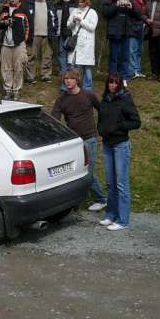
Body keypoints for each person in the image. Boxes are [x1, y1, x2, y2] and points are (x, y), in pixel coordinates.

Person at [51, 69, 106, 212]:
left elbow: (103, 110)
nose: (68, 81)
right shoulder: (62, 99)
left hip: (89, 139)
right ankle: (74, 200)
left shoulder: (88, 95)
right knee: (73, 173)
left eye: (71, 78)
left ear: (77, 80)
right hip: (74, 142)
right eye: (66, 78)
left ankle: (101, 199)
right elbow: (54, 120)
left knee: (88, 173)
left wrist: (101, 128)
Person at [97, 71, 141, 231]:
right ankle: (111, 214)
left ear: (120, 84)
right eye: (111, 82)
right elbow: (101, 119)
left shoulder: (125, 99)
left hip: (121, 144)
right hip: (107, 144)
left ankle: (123, 220)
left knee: (121, 183)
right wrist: (101, 129)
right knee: (110, 182)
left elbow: (136, 122)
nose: (113, 85)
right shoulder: (104, 100)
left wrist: (120, 126)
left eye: (116, 82)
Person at [102, 0, 141, 82]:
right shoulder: (110, 1)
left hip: (126, 33)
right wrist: (117, 4)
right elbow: (106, 13)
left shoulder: (130, 1)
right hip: (114, 33)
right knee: (114, 57)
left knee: (125, 57)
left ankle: (124, 78)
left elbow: (139, 15)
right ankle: (112, 78)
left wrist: (131, 7)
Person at [0, 0, 30, 100]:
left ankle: (16, 91)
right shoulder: (4, 9)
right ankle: (8, 90)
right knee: (6, 68)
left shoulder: (24, 9)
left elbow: (29, 26)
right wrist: (5, 22)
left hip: (19, 44)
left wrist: (25, 40)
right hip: (6, 44)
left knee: (19, 67)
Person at [65, 0, 99, 90]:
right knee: (75, 69)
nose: (80, 3)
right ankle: (75, 89)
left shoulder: (92, 12)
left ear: (87, 2)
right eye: (79, 1)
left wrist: (81, 21)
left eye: (82, 1)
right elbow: (68, 25)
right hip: (76, 44)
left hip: (87, 45)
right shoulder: (75, 11)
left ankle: (87, 90)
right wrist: (73, 22)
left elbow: (92, 27)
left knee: (87, 70)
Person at [25, 0, 57, 83]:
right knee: (31, 56)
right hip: (33, 35)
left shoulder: (50, 4)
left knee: (47, 57)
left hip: (47, 35)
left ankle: (46, 75)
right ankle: (31, 77)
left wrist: (54, 30)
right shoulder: (29, 4)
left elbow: (54, 19)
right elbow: (25, 19)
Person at [53, 0, 75, 76]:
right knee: (61, 52)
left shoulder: (75, 4)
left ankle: (71, 72)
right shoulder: (57, 4)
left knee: (71, 52)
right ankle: (63, 71)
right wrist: (55, 29)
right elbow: (54, 18)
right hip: (60, 32)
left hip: (72, 32)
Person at [129, 0, 150, 79]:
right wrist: (146, 19)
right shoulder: (134, 2)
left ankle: (137, 70)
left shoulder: (145, 5)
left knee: (139, 51)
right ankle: (132, 71)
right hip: (133, 30)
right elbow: (138, 13)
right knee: (131, 51)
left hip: (141, 31)